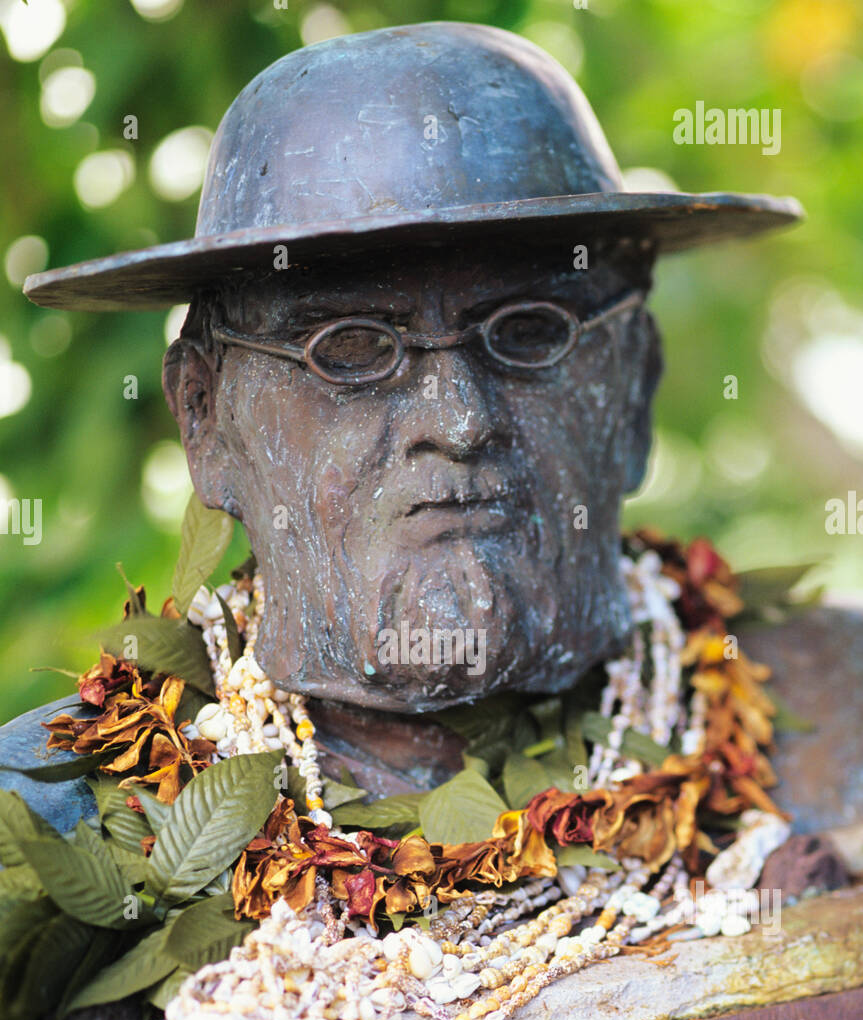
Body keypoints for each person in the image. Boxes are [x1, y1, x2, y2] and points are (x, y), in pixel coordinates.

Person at [3, 22, 860, 840]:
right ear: (204, 421)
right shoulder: (46, 816)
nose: (457, 424)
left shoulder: (841, 719)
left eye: (528, 334)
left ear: (632, 385)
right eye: (349, 350)